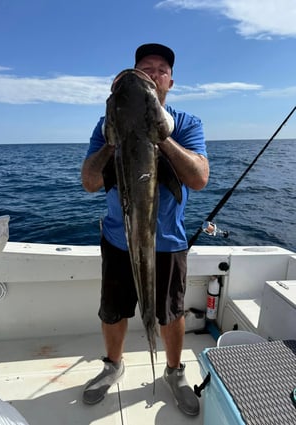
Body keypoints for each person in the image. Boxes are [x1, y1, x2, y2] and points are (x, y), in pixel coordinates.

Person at [81, 43, 209, 416]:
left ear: (170, 80)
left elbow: (199, 178)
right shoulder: (107, 126)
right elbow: (90, 182)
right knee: (113, 310)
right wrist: (111, 140)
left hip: (168, 241)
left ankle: (174, 371)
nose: (153, 72)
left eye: (160, 68)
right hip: (117, 238)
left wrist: (160, 135)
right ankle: (112, 365)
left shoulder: (186, 124)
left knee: (170, 311)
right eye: (145, 67)